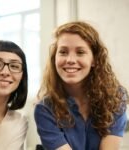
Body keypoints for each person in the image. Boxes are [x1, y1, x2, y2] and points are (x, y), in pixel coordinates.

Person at [34, 21, 129, 150]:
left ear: (94, 59)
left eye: (80, 52)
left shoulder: (116, 98)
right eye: (63, 52)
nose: (70, 60)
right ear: (54, 58)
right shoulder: (44, 109)